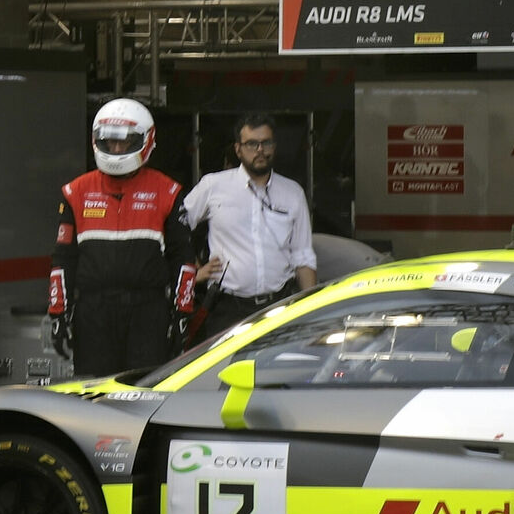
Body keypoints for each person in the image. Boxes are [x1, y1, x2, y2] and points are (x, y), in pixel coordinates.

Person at [47, 98, 199, 375]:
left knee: (144, 393)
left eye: (125, 142)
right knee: (94, 399)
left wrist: (182, 314)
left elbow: (184, 258)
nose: (116, 149)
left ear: (146, 140)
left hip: (148, 313)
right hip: (93, 312)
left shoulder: (169, 191)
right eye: (110, 141)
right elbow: (62, 259)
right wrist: (58, 314)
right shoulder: (75, 192)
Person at [182, 114, 317, 334]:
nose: (260, 150)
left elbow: (303, 256)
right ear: (238, 149)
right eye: (252, 144)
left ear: (275, 146)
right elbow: (177, 228)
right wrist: (194, 271)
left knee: (278, 368)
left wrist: (312, 310)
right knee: (227, 369)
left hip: (280, 305)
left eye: (266, 143)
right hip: (227, 308)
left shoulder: (293, 193)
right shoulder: (214, 186)